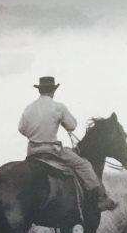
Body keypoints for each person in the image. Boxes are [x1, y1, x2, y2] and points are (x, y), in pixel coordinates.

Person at [18, 76, 118, 212]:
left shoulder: (29, 108)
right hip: (52, 150)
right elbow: (72, 126)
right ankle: (101, 199)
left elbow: (21, 129)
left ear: (39, 91)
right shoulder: (58, 107)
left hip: (32, 152)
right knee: (84, 165)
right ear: (53, 91)